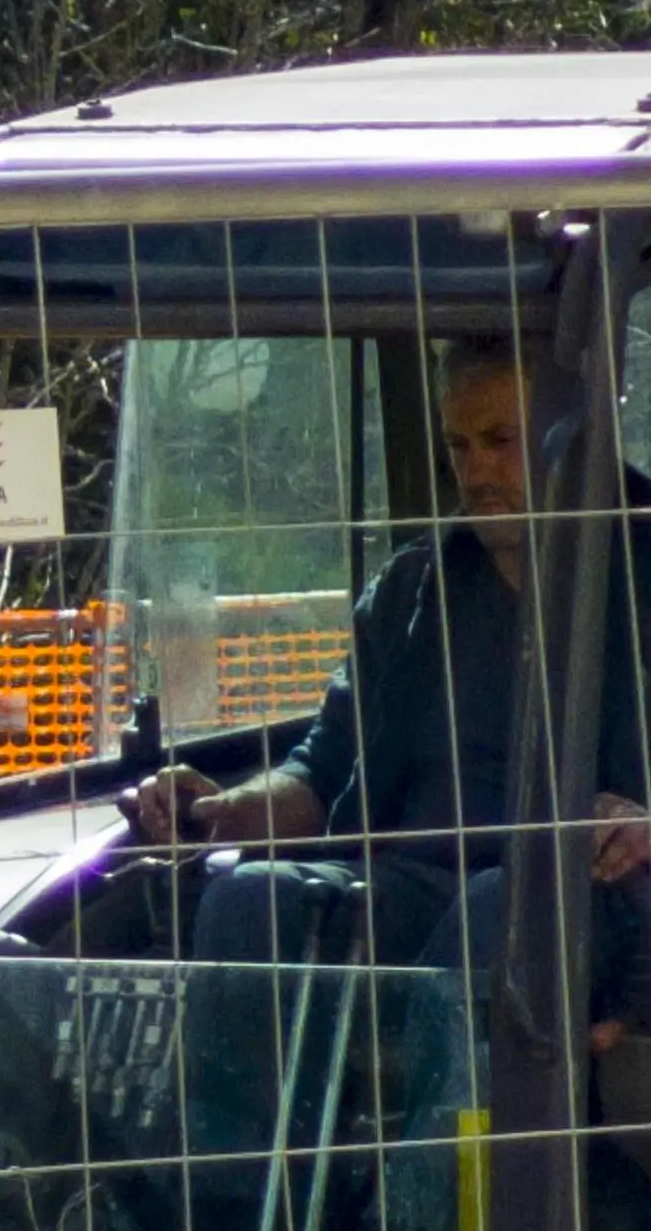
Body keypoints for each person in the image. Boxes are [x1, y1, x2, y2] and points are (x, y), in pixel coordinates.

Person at [125, 338, 651, 963]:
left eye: (500, 441)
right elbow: (323, 772)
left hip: (595, 900)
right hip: (406, 889)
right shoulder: (411, 595)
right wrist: (219, 812)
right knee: (251, 900)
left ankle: (443, 1052)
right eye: (459, 445)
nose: (478, 472)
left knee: (503, 910)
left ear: (574, 436)